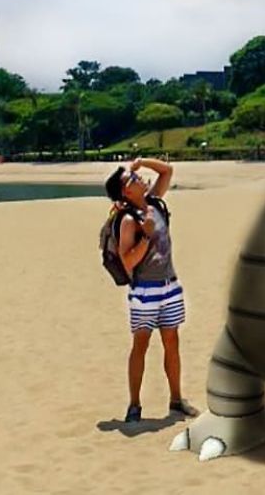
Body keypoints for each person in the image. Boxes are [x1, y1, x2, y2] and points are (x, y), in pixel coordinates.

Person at [104, 157, 199, 424]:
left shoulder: (155, 201)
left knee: (172, 342)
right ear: (125, 193)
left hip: (170, 285)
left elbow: (168, 170)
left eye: (135, 177)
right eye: (131, 181)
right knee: (141, 345)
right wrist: (145, 236)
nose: (138, 179)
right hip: (144, 291)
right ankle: (134, 406)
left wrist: (140, 162)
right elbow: (128, 261)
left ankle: (176, 400)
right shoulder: (128, 221)